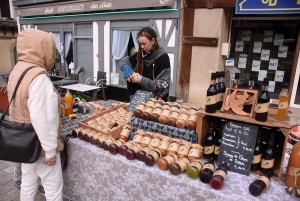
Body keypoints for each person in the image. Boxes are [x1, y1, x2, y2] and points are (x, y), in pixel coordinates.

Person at [7, 28, 64, 201]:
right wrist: (50, 150)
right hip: (39, 144)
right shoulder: (39, 77)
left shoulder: (19, 68)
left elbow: (23, 103)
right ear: (42, 49)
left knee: (28, 182)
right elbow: (44, 118)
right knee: (53, 187)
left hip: (23, 139)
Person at [118, 27, 171, 101]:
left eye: (144, 43)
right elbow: (123, 61)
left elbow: (163, 86)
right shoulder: (140, 55)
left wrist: (141, 80)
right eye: (140, 44)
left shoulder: (163, 58)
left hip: (155, 102)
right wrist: (125, 67)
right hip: (138, 100)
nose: (142, 47)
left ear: (153, 41)